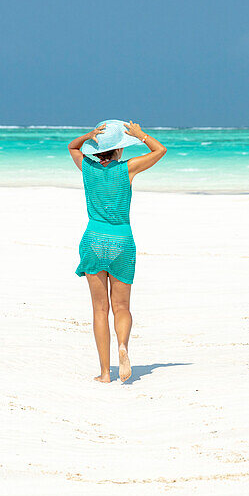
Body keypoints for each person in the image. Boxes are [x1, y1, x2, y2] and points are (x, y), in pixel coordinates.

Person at [67, 121, 167, 383]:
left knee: (100, 310)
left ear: (98, 149)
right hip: (122, 241)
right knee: (121, 306)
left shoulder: (87, 168)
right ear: (120, 150)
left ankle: (104, 373)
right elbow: (160, 151)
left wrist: (90, 136)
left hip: (93, 240)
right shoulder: (127, 169)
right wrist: (140, 135)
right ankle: (123, 346)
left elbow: (72, 146)